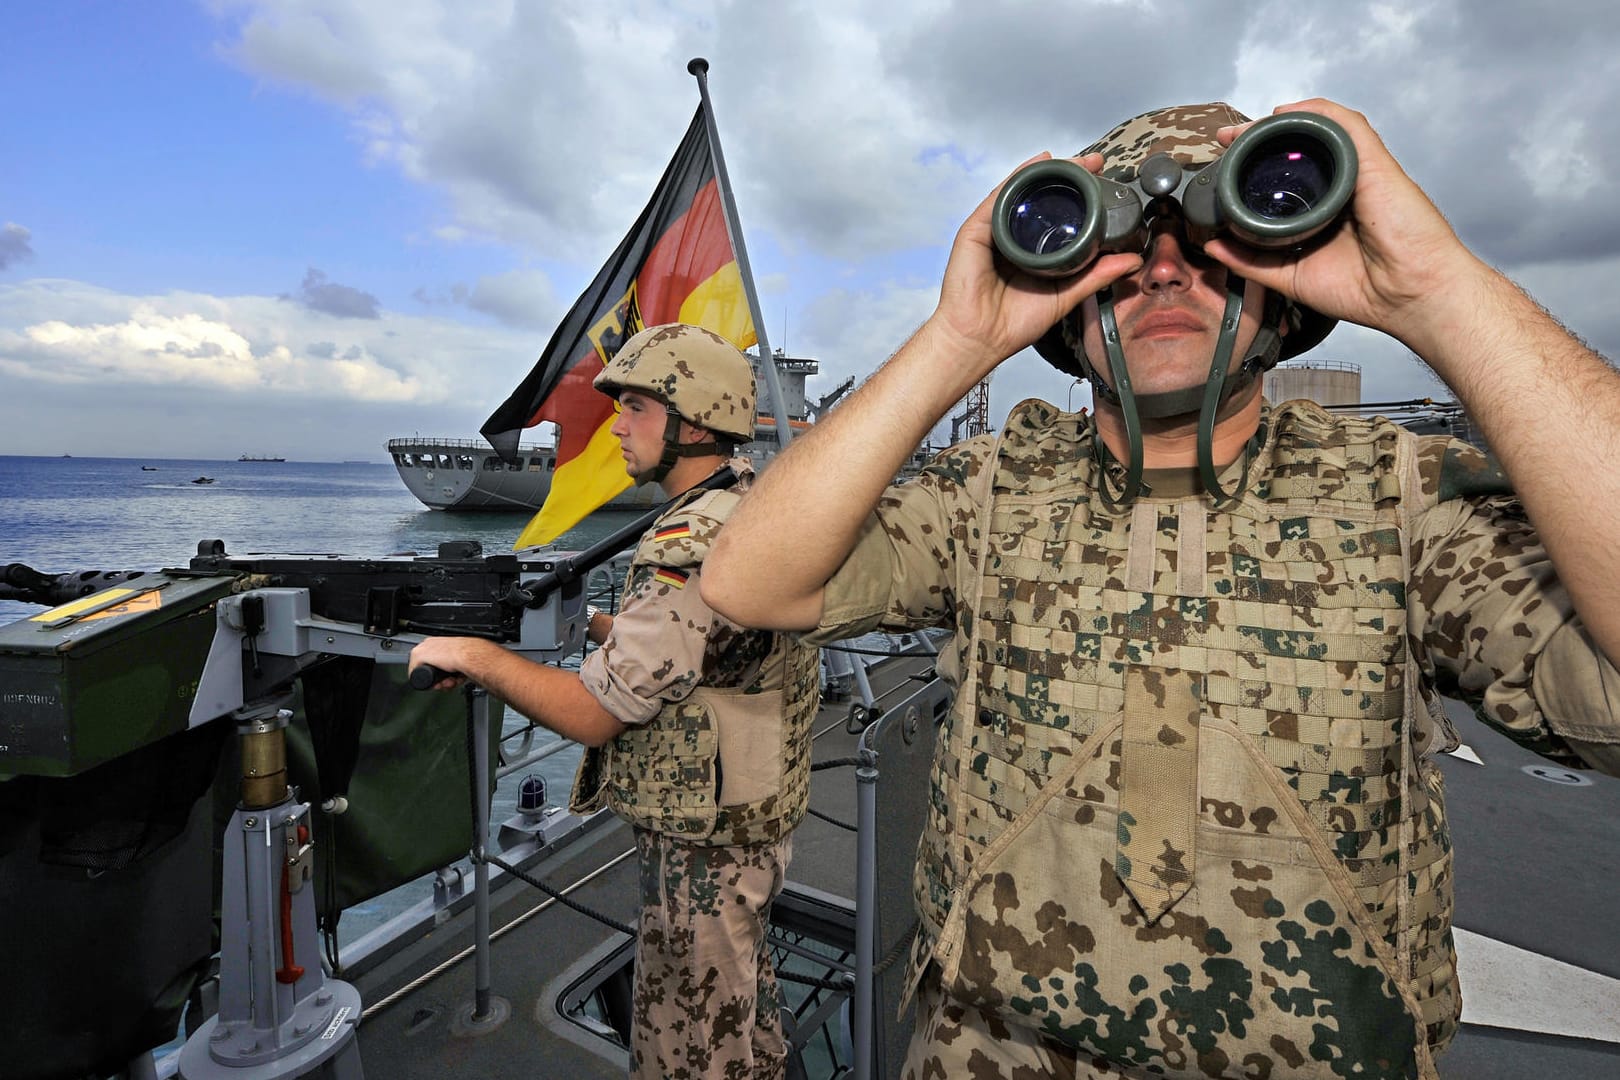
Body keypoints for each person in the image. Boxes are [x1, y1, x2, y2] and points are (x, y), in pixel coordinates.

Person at [701, 99, 1620, 1079]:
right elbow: (751, 580)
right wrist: (959, 340)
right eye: (1125, 248)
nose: (1166, 270)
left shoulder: (1398, 493)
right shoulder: (997, 485)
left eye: (1213, 243)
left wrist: (1439, 292)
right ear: (1066, 300)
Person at [410, 323, 820, 1080]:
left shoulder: (688, 540)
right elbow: (697, 649)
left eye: (635, 407)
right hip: (751, 821)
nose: (616, 426)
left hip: (703, 850)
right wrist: (593, 627)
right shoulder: (747, 504)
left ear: (693, 423)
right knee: (744, 1022)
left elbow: (595, 715)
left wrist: (472, 656)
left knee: (688, 1048)